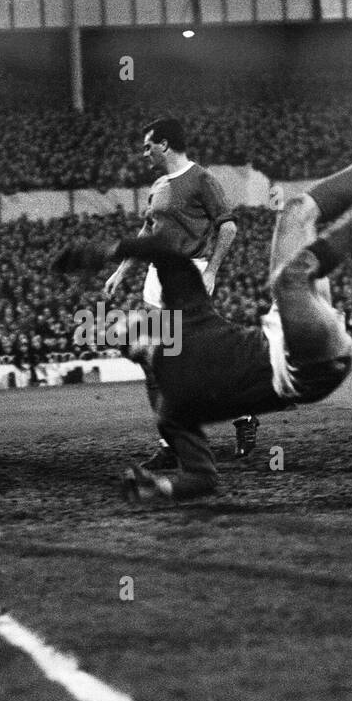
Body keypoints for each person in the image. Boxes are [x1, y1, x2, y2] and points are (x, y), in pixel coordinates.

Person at [52, 100, 352, 501]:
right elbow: (202, 478)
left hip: (281, 334)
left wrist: (104, 252)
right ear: (140, 344)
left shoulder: (181, 336)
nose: (130, 318)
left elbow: (164, 250)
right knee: (289, 279)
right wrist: (158, 489)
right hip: (302, 369)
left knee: (293, 213)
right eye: (125, 327)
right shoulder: (172, 406)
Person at [102, 117, 259, 464]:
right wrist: (121, 272)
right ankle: (170, 443)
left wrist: (212, 271)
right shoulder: (158, 185)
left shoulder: (201, 179)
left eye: (148, 146)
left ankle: (243, 413)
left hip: (190, 275)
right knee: (154, 361)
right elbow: (147, 233)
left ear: (165, 144)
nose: (144, 153)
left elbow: (228, 227)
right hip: (157, 278)